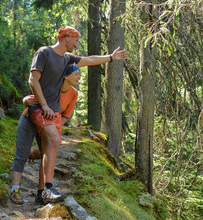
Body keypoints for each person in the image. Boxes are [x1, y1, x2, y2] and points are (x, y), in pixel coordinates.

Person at [11, 26, 128, 204]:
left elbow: (89, 60)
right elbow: (32, 80)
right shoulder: (44, 53)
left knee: (48, 149)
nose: (77, 44)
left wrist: (111, 58)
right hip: (39, 110)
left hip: (50, 113)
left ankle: (42, 192)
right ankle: (23, 190)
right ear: (66, 38)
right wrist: (42, 105)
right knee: (49, 142)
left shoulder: (67, 59)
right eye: (75, 40)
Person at [10, 63, 80, 205]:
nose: (79, 77)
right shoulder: (51, 85)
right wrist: (25, 100)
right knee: (21, 154)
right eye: (76, 74)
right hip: (29, 120)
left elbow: (65, 116)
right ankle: (14, 191)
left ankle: (41, 194)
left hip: (49, 125)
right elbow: (31, 97)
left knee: (46, 156)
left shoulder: (74, 94)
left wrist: (53, 126)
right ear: (66, 76)